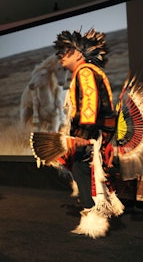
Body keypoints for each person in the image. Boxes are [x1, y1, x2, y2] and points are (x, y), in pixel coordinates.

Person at [54, 29, 124, 238]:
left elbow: (90, 103)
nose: (61, 55)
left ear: (78, 53)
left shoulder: (85, 71)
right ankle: (94, 217)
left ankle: (93, 219)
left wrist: (84, 133)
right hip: (98, 131)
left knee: (83, 169)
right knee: (87, 171)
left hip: (94, 132)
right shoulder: (87, 71)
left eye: (66, 51)